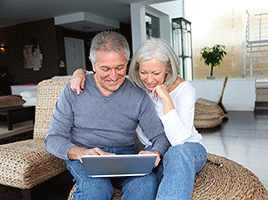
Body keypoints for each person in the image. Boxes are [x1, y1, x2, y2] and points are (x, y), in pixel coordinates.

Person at [71, 37, 207, 200]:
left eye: (156, 73)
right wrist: (80, 72)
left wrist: (167, 100)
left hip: (187, 150)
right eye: (143, 72)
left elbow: (179, 141)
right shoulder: (138, 88)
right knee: (145, 182)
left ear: (168, 68)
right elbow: (107, 74)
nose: (149, 80)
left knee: (176, 153)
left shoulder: (184, 90)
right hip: (156, 151)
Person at [44, 31, 170, 200]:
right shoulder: (73, 90)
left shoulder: (138, 94)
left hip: (124, 155)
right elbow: (52, 139)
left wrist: (155, 151)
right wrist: (81, 153)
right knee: (97, 188)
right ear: (93, 65)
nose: (113, 76)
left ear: (127, 62)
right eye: (105, 69)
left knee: (146, 183)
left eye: (120, 68)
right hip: (85, 157)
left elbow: (160, 136)